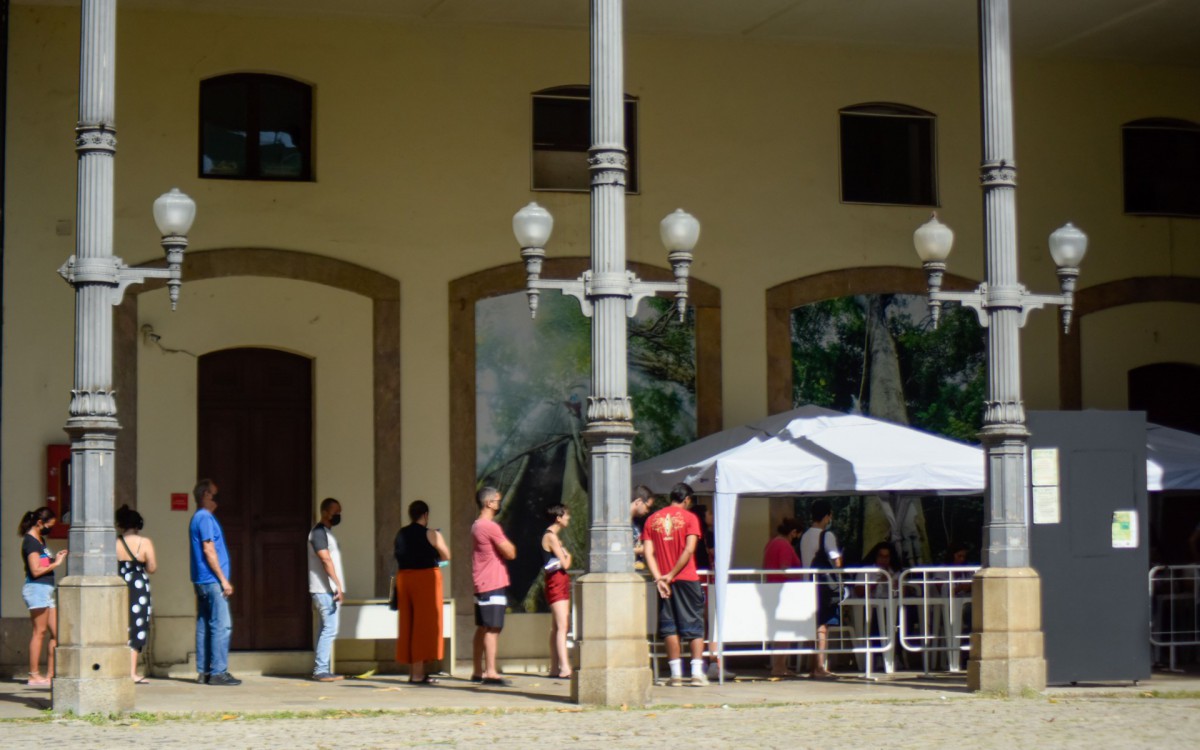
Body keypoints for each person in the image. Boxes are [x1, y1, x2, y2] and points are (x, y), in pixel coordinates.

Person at [642, 482, 708, 687]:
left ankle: (675, 674)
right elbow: (689, 550)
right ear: (687, 499)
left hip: (663, 581)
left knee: (669, 626)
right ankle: (696, 673)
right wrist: (671, 574)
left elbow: (647, 552)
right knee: (695, 624)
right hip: (686, 577)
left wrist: (660, 578)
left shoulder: (652, 519)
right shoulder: (690, 518)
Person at [189, 479, 240, 686]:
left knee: (204, 625)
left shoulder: (197, 518)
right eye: (214, 494)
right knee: (222, 626)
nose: (218, 500)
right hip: (211, 580)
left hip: (202, 580)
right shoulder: (205, 518)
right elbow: (209, 550)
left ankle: (204, 672)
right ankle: (218, 671)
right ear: (205, 496)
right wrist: (223, 580)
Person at [394, 499, 451, 685]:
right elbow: (446, 555)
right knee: (423, 625)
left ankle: (414, 672)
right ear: (425, 515)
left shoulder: (401, 533)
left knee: (408, 624)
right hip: (425, 579)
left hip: (404, 579)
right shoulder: (432, 534)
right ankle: (418, 674)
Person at [471, 486, 516, 686]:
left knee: (482, 627)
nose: (499, 504)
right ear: (488, 503)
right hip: (492, 582)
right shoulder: (490, 526)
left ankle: (477, 670)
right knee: (493, 628)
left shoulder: (476, 525)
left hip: (482, 582)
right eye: (497, 500)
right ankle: (490, 672)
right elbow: (510, 552)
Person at [18, 507, 68, 687]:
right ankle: (34, 674)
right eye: (49, 525)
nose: (50, 529)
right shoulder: (31, 542)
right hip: (36, 588)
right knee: (39, 632)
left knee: (56, 633)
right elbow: (36, 570)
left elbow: (43, 563)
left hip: (46, 589)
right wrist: (56, 564)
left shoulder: (41, 540)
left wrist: (56, 559)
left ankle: (50, 674)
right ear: (39, 523)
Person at [798, 499, 842, 679]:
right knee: (823, 626)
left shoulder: (805, 535)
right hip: (822, 586)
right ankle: (820, 667)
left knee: (813, 625)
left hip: (807, 583)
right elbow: (836, 560)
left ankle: (813, 665)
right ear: (826, 516)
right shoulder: (826, 536)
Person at [116, 504, 157, 683]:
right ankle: (132, 672)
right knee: (137, 626)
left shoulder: (115, 542)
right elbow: (152, 567)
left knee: (119, 626)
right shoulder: (144, 542)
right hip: (138, 585)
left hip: (119, 584)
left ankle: (117, 669)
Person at [308, 497, 346, 682]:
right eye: (335, 512)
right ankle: (321, 670)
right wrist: (337, 585)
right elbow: (325, 559)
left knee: (326, 629)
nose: (338, 515)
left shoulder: (327, 534)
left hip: (326, 590)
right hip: (324, 590)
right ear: (325, 512)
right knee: (329, 629)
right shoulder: (318, 533)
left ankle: (324, 668)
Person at [762, 518, 803, 678]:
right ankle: (779, 666)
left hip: (771, 591)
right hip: (784, 592)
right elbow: (785, 568)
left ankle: (779, 664)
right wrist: (801, 574)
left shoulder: (771, 543)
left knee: (777, 629)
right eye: (797, 535)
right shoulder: (784, 545)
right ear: (793, 533)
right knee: (784, 630)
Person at [541, 504, 573, 679]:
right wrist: (568, 555)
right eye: (566, 515)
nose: (568, 519)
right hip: (556, 582)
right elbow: (566, 563)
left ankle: (555, 667)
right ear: (558, 518)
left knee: (556, 627)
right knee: (562, 626)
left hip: (557, 581)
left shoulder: (551, 537)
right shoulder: (551, 537)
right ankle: (565, 667)